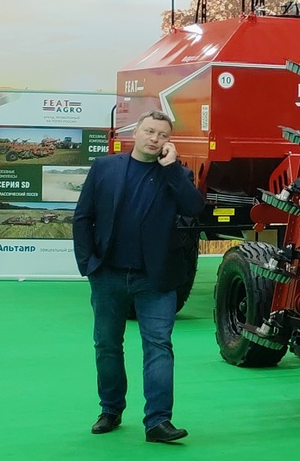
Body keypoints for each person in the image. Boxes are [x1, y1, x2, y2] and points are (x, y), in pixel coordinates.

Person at [72, 110, 203, 442]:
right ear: (136, 133)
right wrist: (88, 264)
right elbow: (83, 217)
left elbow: (193, 209)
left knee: (158, 346)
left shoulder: (177, 175)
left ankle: (158, 421)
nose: (154, 138)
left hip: (156, 279)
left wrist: (171, 168)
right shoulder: (105, 168)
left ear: (168, 141)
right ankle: (110, 410)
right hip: (108, 275)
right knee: (107, 344)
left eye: (161, 134)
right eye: (149, 131)